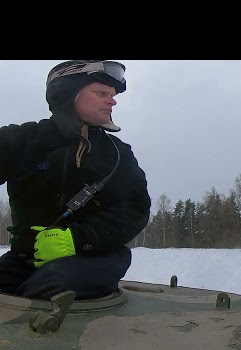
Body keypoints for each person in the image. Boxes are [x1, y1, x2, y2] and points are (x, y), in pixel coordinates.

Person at [0, 60, 151, 300]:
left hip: (97, 256)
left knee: (54, 284)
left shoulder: (117, 154)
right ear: (67, 95)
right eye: (101, 93)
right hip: (26, 256)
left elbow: (136, 209)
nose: (112, 100)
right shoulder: (24, 140)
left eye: (112, 95)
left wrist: (76, 239)